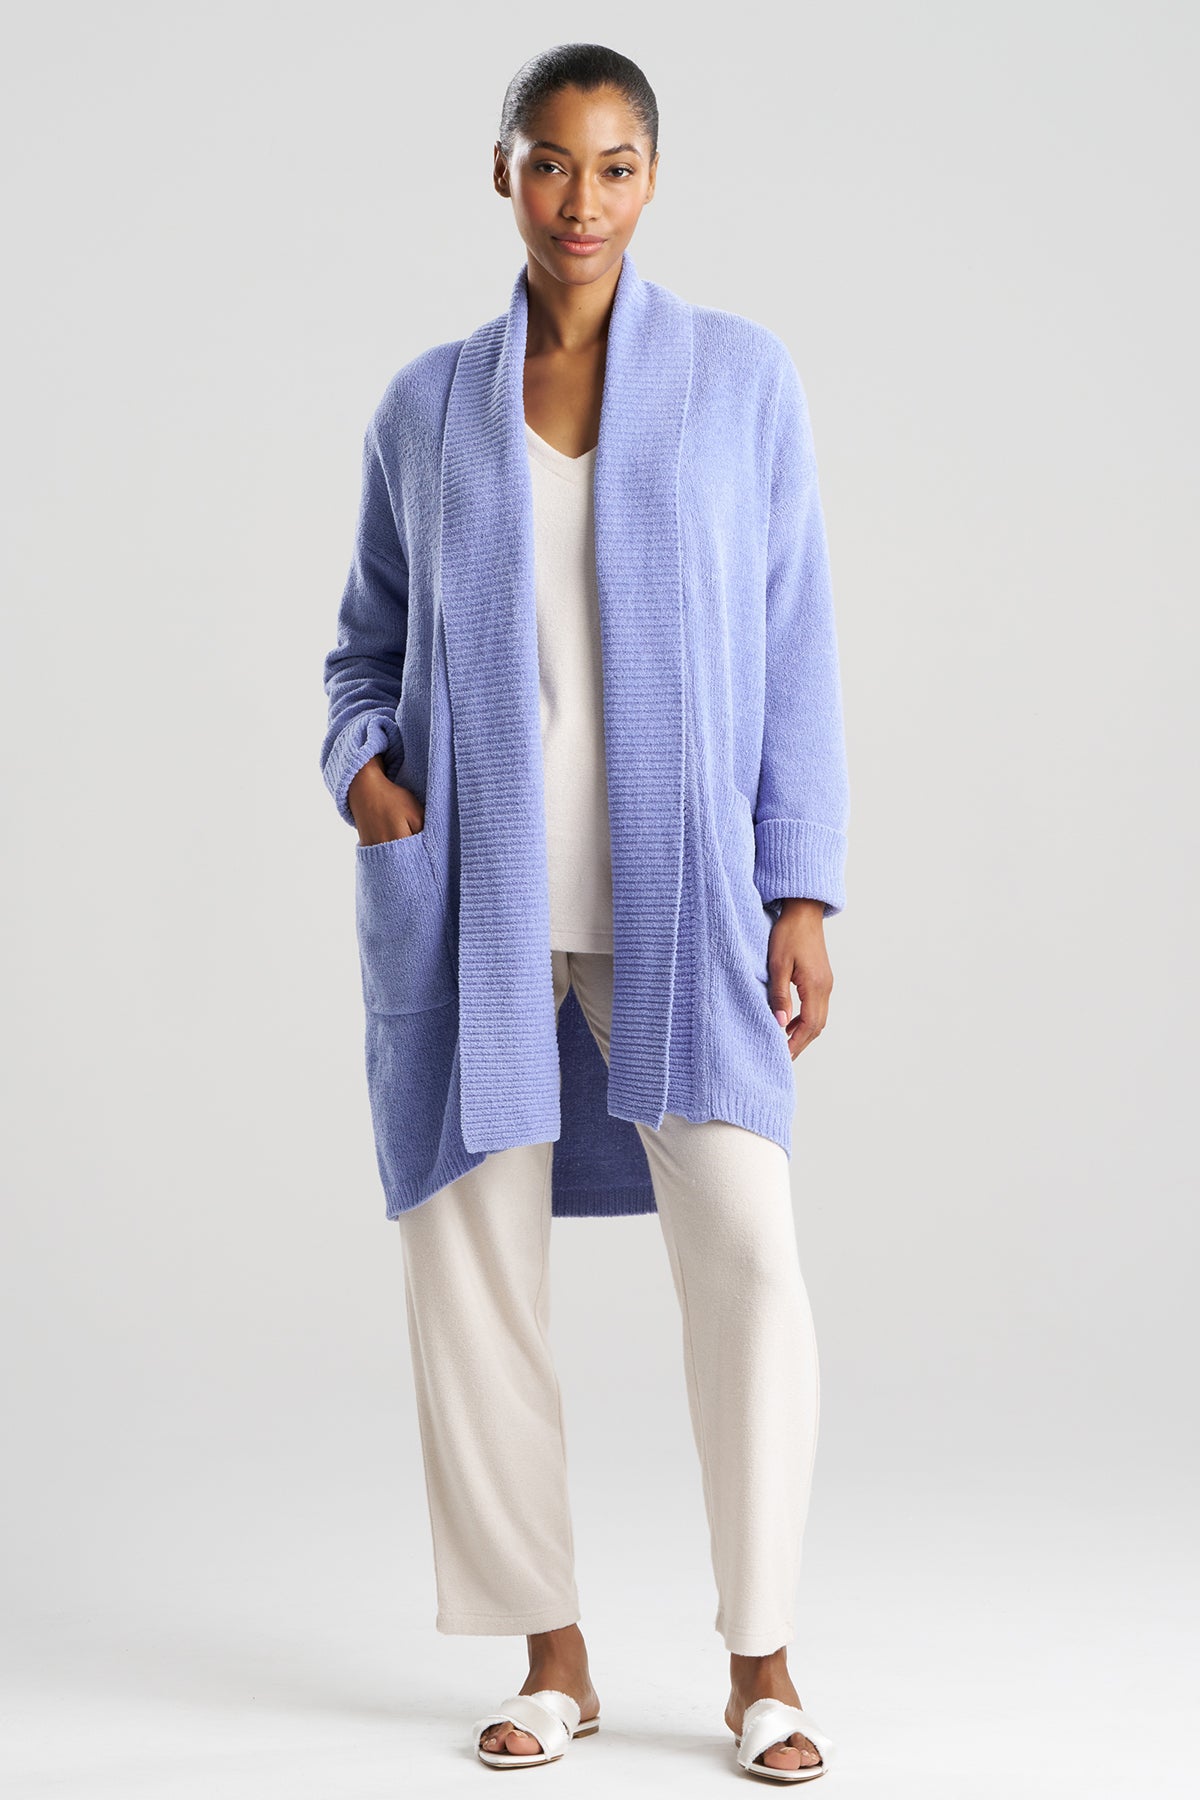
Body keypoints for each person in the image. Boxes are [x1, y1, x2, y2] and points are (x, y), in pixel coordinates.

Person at [320, 41, 848, 1784]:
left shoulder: (741, 380)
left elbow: (795, 647)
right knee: (473, 1273)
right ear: (502, 174)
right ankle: (553, 1654)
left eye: (615, 166)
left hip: (679, 901)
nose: (581, 201)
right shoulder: (427, 407)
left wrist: (801, 886)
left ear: (652, 181)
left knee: (751, 1257)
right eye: (550, 163)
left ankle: (762, 1659)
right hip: (473, 904)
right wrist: (366, 777)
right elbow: (361, 652)